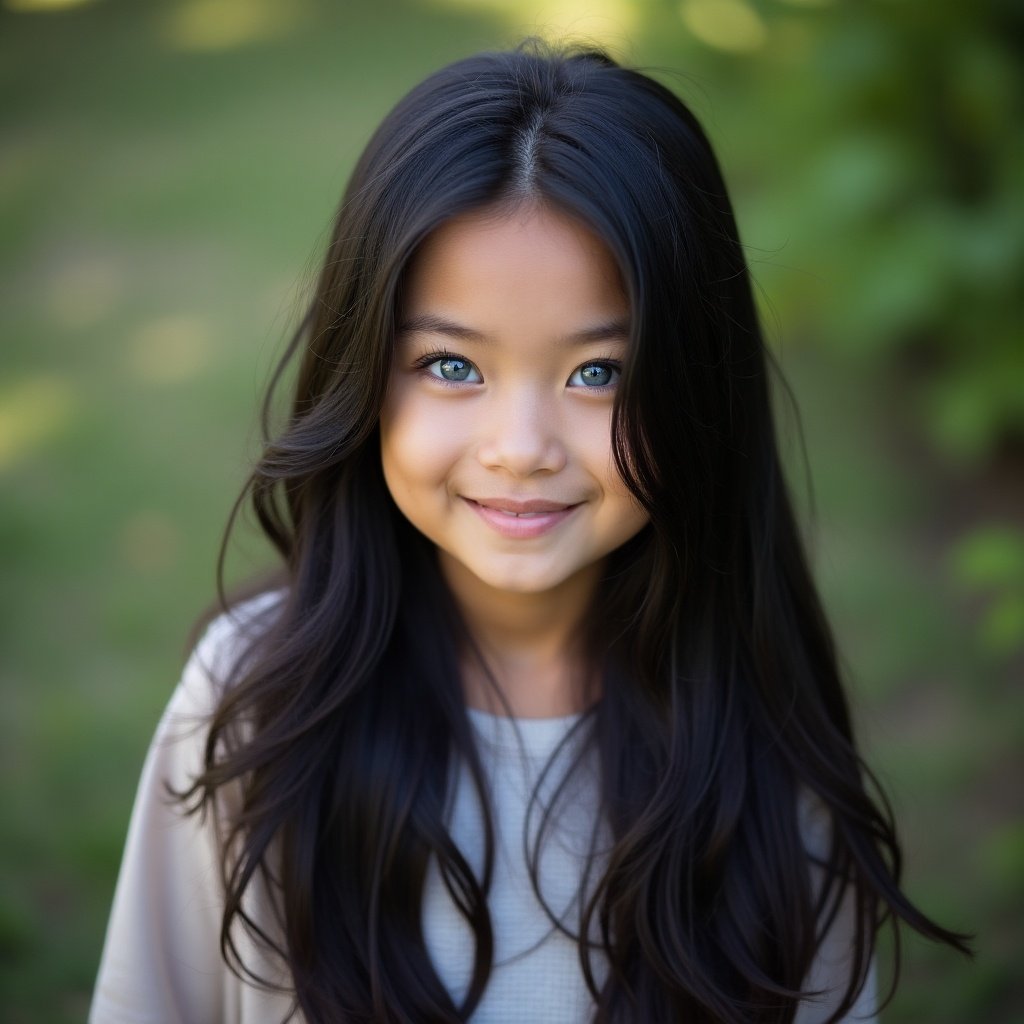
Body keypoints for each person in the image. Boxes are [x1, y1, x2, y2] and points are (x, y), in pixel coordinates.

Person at [89, 42, 969, 1023]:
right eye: (451, 366)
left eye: (599, 373)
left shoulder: (757, 733)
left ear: (696, 390)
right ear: (363, 371)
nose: (520, 448)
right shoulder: (254, 701)